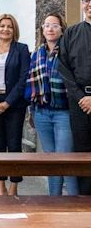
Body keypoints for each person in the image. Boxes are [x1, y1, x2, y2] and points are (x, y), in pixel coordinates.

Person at [25, 13, 78, 196]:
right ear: (42, 29)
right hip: (42, 112)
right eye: (47, 25)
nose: (50, 29)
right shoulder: (37, 53)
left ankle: (74, 204)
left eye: (54, 25)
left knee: (66, 159)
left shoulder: (68, 51)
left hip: (64, 112)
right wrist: (31, 111)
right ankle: (53, 201)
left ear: (62, 29)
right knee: (50, 160)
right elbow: (31, 84)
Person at [0, 14, 30, 196]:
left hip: (14, 104)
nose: (5, 29)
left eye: (9, 26)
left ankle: (14, 186)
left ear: (14, 29)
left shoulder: (21, 49)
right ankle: (0, 185)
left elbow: (23, 78)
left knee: (14, 144)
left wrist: (8, 102)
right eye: (2, 26)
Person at [59, 0, 91, 195]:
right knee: (82, 152)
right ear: (81, 3)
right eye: (86, 0)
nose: (90, 5)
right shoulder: (71, 33)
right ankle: (85, 203)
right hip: (79, 104)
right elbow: (64, 67)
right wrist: (82, 97)